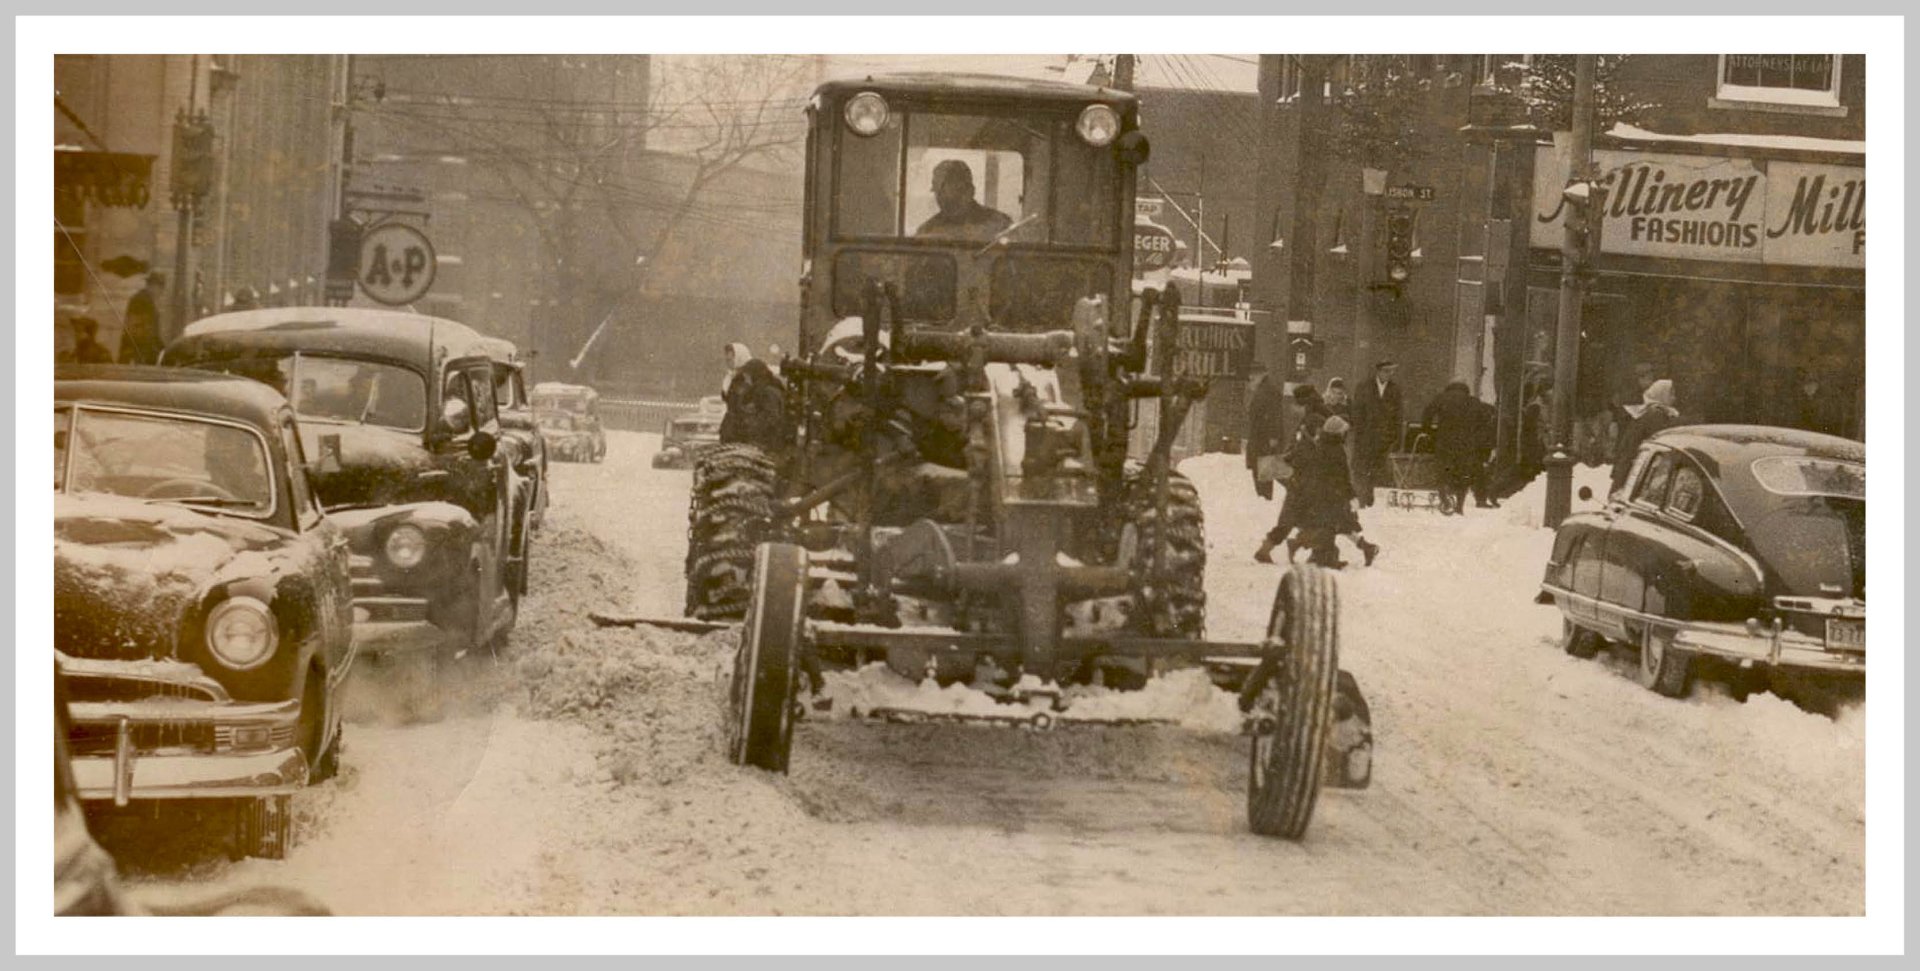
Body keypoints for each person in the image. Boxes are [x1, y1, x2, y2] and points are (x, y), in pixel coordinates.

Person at [1289, 415, 1379, 569]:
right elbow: (1342, 477)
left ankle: (1304, 546)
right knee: (1334, 525)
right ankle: (1321, 554)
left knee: (1338, 524)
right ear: (1337, 432)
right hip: (1332, 495)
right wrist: (1351, 495)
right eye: (1344, 431)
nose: (1345, 434)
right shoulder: (1336, 450)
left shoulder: (1321, 445)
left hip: (1322, 493)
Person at [1253, 384, 1331, 564]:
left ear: (1304, 404)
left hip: (1303, 476)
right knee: (1303, 518)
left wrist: (1287, 458)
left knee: (1297, 517)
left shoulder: (1312, 420)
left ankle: (1269, 549)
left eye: (1295, 404)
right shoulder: (1314, 418)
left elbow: (1305, 449)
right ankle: (1274, 549)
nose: (1292, 408)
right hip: (1304, 478)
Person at [913, 159, 1014, 242]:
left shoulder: (1001, 224)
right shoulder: (927, 230)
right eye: (938, 191)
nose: (940, 197)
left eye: (959, 188)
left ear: (970, 190)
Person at [1421, 381, 1480, 516]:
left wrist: (1428, 432)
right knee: (1463, 474)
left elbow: (1427, 414)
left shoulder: (1441, 397)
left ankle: (1444, 499)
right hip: (1466, 444)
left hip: (1445, 441)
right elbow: (1483, 420)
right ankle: (1459, 506)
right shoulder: (1474, 402)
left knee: (1442, 471)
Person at [1610, 378, 1679, 493]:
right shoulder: (1656, 414)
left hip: (1628, 465)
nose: (1674, 397)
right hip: (1635, 468)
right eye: (1671, 393)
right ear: (1661, 394)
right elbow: (1661, 441)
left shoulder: (1646, 411)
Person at [1349, 360, 1402, 509]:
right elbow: (1357, 410)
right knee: (1361, 467)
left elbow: (1398, 414)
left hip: (1384, 436)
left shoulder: (1395, 390)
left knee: (1375, 467)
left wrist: (1396, 436)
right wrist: (1358, 429)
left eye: (1391, 371)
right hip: (1365, 434)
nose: (1389, 374)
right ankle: (1361, 496)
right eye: (1386, 371)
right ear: (1378, 371)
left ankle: (1369, 491)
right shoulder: (1364, 387)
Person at [719, 345, 791, 453]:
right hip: (747, 441)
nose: (747, 379)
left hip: (760, 445)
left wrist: (744, 426)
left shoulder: (767, 392)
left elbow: (769, 419)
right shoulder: (757, 388)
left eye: (731, 359)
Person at [1244, 364, 1289, 502]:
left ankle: (1264, 501)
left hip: (1263, 441)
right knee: (1263, 473)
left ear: (1261, 375)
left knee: (1264, 474)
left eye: (1253, 375)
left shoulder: (1268, 391)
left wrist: (1273, 437)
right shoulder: (1264, 390)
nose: (1250, 379)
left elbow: (1274, 415)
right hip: (1262, 440)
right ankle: (1263, 500)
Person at [119, 272, 166, 366]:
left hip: (141, 348)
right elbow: (137, 327)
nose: (161, 291)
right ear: (153, 286)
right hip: (139, 350)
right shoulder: (142, 300)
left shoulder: (146, 299)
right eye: (161, 287)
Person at [1790, 371, 1848, 438]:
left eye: (1812, 385)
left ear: (1816, 387)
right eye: (1806, 385)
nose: (1809, 388)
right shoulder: (1799, 401)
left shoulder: (1822, 402)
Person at [1467, 391, 1499, 508]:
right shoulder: (1489, 410)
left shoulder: (1471, 407)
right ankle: (1481, 498)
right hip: (1482, 443)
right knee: (1479, 470)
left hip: (1472, 442)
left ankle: (1478, 495)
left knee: (1475, 469)